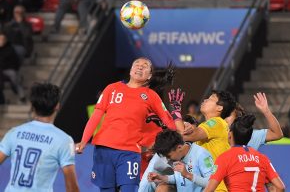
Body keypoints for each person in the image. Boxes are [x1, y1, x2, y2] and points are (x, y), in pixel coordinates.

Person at [75, 57, 184, 192]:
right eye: (137, 64)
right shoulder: (111, 88)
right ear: (131, 70)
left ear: (149, 76)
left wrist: (180, 138)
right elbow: (96, 116)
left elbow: (168, 122)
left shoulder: (151, 96)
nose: (140, 66)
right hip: (104, 149)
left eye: (145, 66)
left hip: (129, 152)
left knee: (129, 189)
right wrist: (84, 141)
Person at [0, 82, 79, 192]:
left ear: (32, 106)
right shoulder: (64, 140)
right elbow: (71, 187)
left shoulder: (14, 133)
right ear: (57, 106)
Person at [203, 115, 286, 192]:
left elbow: (209, 189)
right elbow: (280, 187)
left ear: (229, 135)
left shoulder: (224, 158)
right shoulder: (263, 158)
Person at [182, 90, 236, 192]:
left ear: (219, 108)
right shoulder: (210, 127)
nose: (205, 100)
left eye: (210, 99)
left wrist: (175, 114)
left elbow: (187, 136)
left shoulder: (216, 122)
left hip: (217, 188)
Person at [139, 115, 199, 192]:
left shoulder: (197, 150)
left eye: (192, 129)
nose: (189, 130)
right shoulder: (161, 155)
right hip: (159, 179)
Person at [147, 130, 215, 192]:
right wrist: (163, 178)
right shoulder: (178, 156)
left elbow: (213, 183)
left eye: (168, 156)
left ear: (179, 147)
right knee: (161, 188)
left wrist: (188, 175)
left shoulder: (202, 155)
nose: (167, 159)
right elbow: (180, 179)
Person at [0, 32, 26, 103]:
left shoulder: (10, 49)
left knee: (15, 80)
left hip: (8, 69)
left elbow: (15, 62)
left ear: (5, 40)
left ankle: (22, 96)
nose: (0, 41)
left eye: (2, 39)